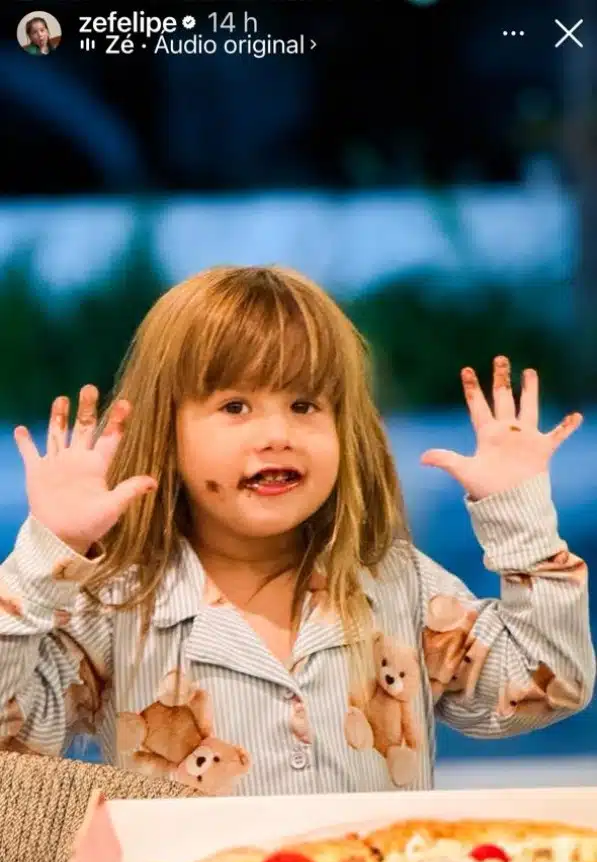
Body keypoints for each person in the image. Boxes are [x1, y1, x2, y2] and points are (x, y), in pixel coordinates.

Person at [0, 266, 593, 796]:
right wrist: (48, 552)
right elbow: (11, 739)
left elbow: (551, 686)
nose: (277, 434)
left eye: (305, 405)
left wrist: (521, 519)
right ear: (167, 436)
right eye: (235, 407)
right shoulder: (117, 606)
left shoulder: (394, 583)